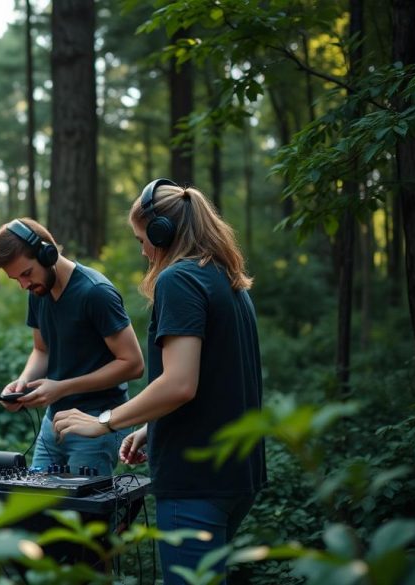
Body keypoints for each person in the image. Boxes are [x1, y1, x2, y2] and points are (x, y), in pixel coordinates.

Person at [52, 179, 267, 584]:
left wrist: (104, 421)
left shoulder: (179, 280)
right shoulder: (228, 280)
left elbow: (180, 383)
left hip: (196, 482)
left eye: (142, 239)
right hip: (238, 476)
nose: (143, 251)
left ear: (161, 233)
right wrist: (153, 427)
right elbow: (218, 380)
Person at [0, 218, 144, 475]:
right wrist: (23, 383)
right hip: (54, 424)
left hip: (97, 423)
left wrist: (62, 388)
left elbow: (133, 364)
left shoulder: (96, 293)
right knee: (36, 507)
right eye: (16, 279)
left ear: (47, 253)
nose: (24, 285)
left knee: (81, 513)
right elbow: (42, 350)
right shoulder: (37, 293)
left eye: (26, 273)